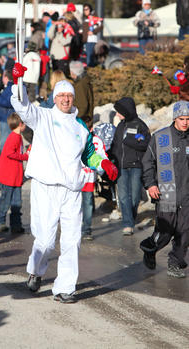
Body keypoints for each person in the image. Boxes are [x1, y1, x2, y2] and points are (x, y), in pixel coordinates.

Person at [11, 64, 118, 303]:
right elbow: (23, 107)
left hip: (72, 190)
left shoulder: (80, 126)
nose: (66, 100)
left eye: (69, 95)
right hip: (46, 186)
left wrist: (104, 164)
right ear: (54, 98)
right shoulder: (44, 117)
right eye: (61, 96)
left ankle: (65, 287)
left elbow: (90, 152)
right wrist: (18, 82)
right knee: (46, 240)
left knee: (72, 240)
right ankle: (36, 271)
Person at [140, 101, 189, 278]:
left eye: (188, 119)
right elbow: (147, 163)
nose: (185, 122)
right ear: (175, 118)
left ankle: (175, 264)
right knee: (164, 233)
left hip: (186, 196)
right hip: (166, 194)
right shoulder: (161, 137)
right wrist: (151, 184)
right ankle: (149, 248)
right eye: (182, 118)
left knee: (185, 232)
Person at [110, 97, 151, 235]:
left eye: (119, 112)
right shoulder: (120, 126)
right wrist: (111, 159)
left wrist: (129, 140)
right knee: (123, 196)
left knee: (134, 197)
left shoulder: (141, 125)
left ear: (126, 111)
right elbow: (115, 145)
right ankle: (127, 224)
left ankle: (131, 218)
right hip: (121, 166)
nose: (117, 114)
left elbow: (146, 144)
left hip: (136, 166)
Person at [0, 113, 29, 233]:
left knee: (17, 202)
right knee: (6, 201)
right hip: (8, 176)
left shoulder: (17, 136)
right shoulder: (14, 137)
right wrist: (25, 156)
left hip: (15, 176)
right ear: (20, 124)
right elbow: (9, 153)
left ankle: (16, 225)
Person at [0, 70, 15, 151]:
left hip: (7, 118)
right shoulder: (8, 87)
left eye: (3, 77)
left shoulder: (11, 88)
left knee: (4, 142)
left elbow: (8, 102)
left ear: (6, 77)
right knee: (4, 140)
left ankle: (4, 160)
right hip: (5, 117)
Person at [69, 60, 94, 129]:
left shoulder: (80, 85)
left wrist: (73, 118)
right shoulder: (83, 82)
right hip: (83, 120)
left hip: (82, 122)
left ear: (73, 72)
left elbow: (83, 106)